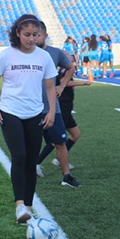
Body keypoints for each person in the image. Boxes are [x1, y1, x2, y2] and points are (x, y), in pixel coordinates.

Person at [0, 14, 57, 225]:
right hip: (10, 112)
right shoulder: (7, 55)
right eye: (27, 34)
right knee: (19, 155)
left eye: (35, 35)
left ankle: (28, 206)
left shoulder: (43, 57)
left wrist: (51, 111)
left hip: (35, 113)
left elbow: (50, 87)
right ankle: (19, 205)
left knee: (31, 160)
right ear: (17, 33)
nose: (31, 39)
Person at [35, 22, 80, 188]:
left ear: (45, 36)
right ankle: (28, 171)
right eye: (31, 34)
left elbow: (70, 68)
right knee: (29, 144)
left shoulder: (55, 53)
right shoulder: (26, 53)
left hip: (52, 108)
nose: (34, 38)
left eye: (37, 34)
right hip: (30, 108)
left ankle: (67, 176)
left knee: (60, 143)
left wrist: (61, 85)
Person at [37, 67, 90, 178]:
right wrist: (83, 83)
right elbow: (63, 83)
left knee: (75, 134)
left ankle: (58, 159)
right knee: (56, 140)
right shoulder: (63, 70)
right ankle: (37, 163)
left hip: (67, 108)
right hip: (62, 107)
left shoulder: (66, 69)